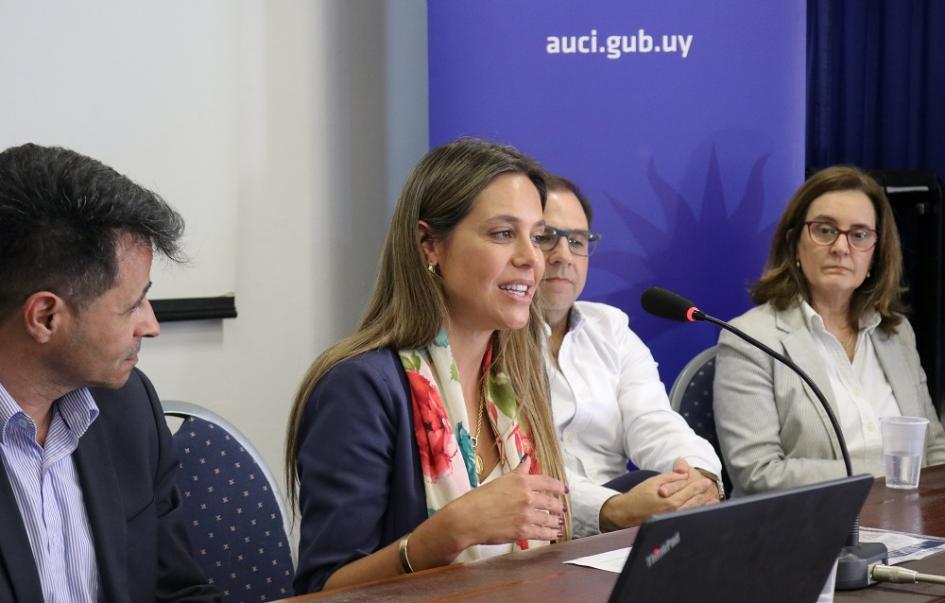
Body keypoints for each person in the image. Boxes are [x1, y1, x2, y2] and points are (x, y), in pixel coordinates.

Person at [286, 138, 571, 594]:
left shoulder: (517, 378)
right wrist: (442, 537)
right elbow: (323, 590)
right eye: (502, 234)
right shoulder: (360, 388)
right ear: (429, 245)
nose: (531, 258)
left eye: (536, 236)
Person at [0, 144, 219, 601]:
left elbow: (179, 591)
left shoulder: (128, 405)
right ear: (45, 317)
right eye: (133, 304)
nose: (152, 325)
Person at [713, 166, 945, 495]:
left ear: (876, 255)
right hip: (808, 529)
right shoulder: (751, 338)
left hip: (910, 527)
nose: (841, 247)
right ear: (794, 243)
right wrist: (892, 469)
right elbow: (758, 472)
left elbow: (933, 447)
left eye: (859, 234)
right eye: (825, 230)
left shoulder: (896, 333)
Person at [537, 175, 722, 537]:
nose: (563, 257)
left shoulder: (611, 329)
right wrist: (609, 509)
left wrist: (698, 478)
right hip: (539, 533)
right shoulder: (488, 338)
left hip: (625, 524)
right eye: (545, 238)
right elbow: (517, 466)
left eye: (576, 241)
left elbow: (654, 422)